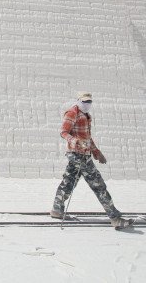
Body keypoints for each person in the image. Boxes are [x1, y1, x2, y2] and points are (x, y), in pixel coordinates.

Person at [50, 92, 131, 229]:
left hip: (83, 154)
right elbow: (64, 132)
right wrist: (76, 141)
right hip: (77, 155)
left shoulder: (86, 116)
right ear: (78, 101)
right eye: (84, 102)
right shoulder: (72, 113)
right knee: (98, 185)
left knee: (68, 183)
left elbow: (87, 137)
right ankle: (115, 218)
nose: (87, 104)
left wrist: (96, 152)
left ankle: (57, 210)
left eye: (89, 102)